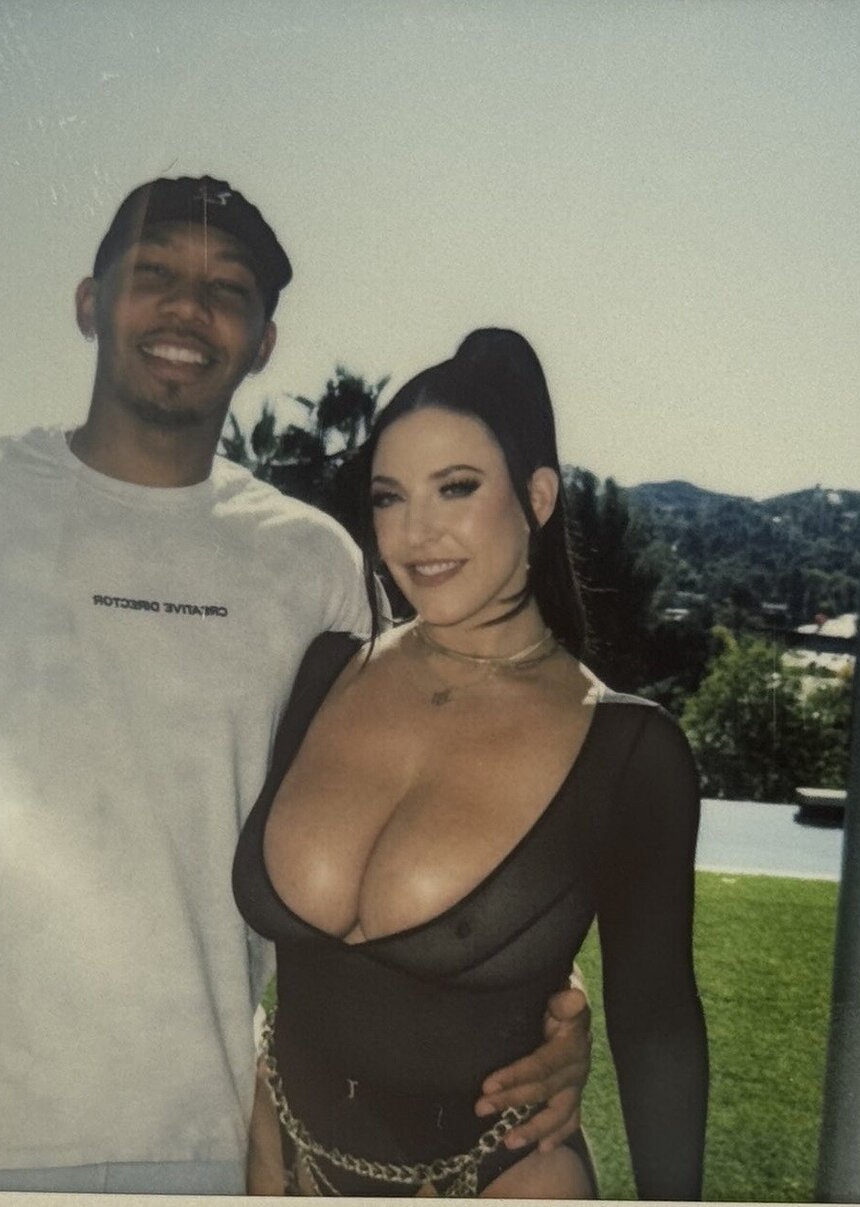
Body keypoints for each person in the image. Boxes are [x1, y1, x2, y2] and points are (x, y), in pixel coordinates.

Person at [0, 178, 594, 1194]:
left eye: (227, 291)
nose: (187, 308)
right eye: (155, 273)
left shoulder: (312, 566)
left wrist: (549, 999)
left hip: (199, 1144)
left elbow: (416, 808)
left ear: (263, 342)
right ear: (92, 303)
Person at [233, 329, 709, 1198]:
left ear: (537, 496)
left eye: (456, 487)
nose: (417, 533)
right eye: (389, 497)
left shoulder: (628, 752)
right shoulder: (326, 671)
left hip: (495, 1182)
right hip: (281, 1163)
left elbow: (658, 1029)